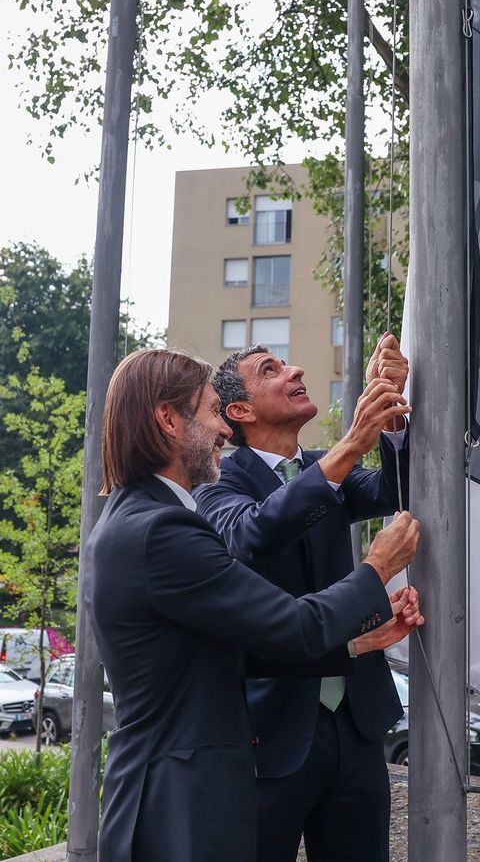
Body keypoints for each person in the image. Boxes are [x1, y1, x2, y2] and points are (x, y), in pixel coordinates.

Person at [86, 348, 422, 862]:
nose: (222, 430)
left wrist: (354, 644)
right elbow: (284, 608)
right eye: (211, 412)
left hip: (312, 736)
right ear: (168, 420)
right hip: (188, 798)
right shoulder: (165, 528)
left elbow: (220, 651)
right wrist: (375, 569)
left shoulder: (139, 518)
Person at [194, 333, 410, 862]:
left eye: (288, 363)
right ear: (240, 411)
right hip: (270, 734)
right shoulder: (216, 483)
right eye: (270, 370)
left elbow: (396, 491)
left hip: (356, 721)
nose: (294, 372)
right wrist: (350, 444)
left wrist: (391, 416)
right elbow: (251, 534)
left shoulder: (324, 467)